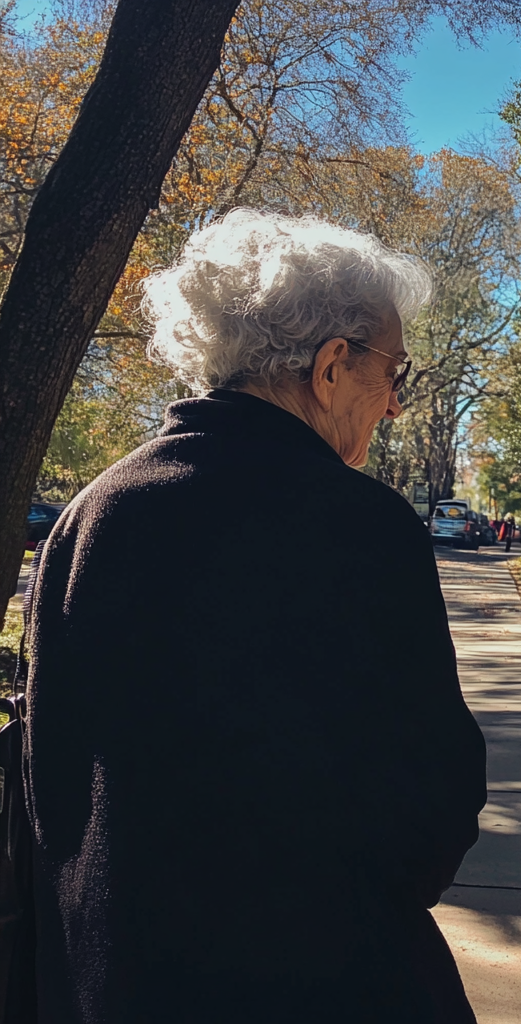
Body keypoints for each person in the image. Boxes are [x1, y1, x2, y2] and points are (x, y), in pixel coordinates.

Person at [24, 210, 486, 1024]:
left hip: (120, 981)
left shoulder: (91, 515)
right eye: (397, 373)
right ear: (333, 366)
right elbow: (434, 796)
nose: (394, 408)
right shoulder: (364, 527)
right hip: (328, 980)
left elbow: (49, 784)